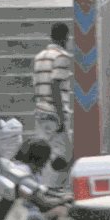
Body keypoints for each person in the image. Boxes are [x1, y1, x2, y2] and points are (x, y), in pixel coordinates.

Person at [33, 22, 73, 190]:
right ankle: (50, 189)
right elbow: (55, 85)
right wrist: (61, 118)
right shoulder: (61, 56)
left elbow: (36, 85)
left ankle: (43, 186)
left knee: (44, 153)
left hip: (40, 110)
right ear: (65, 38)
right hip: (54, 113)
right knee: (60, 155)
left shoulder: (40, 56)